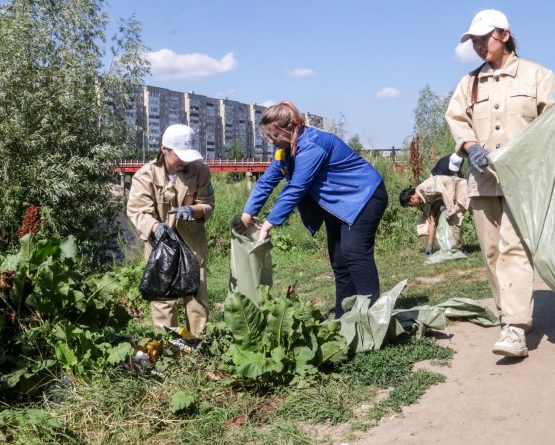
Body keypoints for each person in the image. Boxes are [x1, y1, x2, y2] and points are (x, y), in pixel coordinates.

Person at [444, 9, 555, 358]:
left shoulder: (537, 75)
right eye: (472, 41)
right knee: (491, 253)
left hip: (523, 181)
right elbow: (456, 118)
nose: (477, 46)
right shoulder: (468, 83)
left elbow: (553, 119)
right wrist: (470, 146)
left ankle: (515, 328)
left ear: (503, 34)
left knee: (515, 249)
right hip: (482, 181)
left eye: (482, 38)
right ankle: (511, 314)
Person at [234, 101, 388, 318]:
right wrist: (247, 214)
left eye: (273, 134)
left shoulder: (312, 145)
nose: (270, 141)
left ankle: (372, 318)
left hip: (364, 196)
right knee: (339, 260)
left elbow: (296, 187)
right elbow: (266, 181)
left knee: (354, 252)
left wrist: (268, 225)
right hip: (337, 204)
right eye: (266, 136)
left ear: (289, 128)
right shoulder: (285, 149)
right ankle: (343, 316)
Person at [126, 124, 215, 336]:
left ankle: (198, 342)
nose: (184, 161)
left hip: (192, 243)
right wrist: (155, 227)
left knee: (197, 296)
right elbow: (137, 211)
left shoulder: (200, 171)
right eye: (179, 155)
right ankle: (169, 343)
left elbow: (208, 204)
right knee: (163, 299)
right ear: (164, 149)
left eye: (188, 156)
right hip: (159, 245)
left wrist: (193, 210)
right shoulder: (145, 175)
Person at [399, 171, 469, 255]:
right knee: (445, 220)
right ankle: (455, 247)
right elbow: (432, 222)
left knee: (453, 218)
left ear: (412, 199)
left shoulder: (427, 189)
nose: (412, 207)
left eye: (410, 205)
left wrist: (449, 209)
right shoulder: (421, 203)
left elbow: (443, 191)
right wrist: (430, 245)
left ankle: (459, 248)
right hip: (446, 197)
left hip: (458, 187)